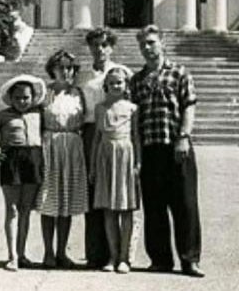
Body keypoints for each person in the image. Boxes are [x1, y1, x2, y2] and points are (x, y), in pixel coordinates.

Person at [130, 25, 205, 278]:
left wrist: (183, 136)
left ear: (163, 43)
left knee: (185, 205)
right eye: (143, 44)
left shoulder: (179, 73)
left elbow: (189, 106)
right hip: (150, 149)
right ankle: (160, 259)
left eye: (151, 42)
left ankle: (190, 259)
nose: (147, 48)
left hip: (176, 147)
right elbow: (135, 119)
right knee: (154, 207)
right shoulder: (136, 80)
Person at [0, 74, 46, 272]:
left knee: (26, 209)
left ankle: (22, 254)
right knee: (12, 209)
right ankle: (12, 256)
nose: (22, 102)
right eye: (17, 98)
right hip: (12, 162)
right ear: (10, 98)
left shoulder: (38, 114)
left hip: (33, 160)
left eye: (26, 97)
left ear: (33, 97)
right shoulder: (3, 115)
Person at [78, 27, 133, 268]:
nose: (99, 49)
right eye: (94, 45)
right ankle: (95, 253)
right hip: (91, 131)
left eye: (104, 45)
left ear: (111, 47)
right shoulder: (83, 76)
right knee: (94, 191)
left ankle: (121, 254)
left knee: (118, 193)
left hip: (117, 134)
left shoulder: (122, 72)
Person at [36, 49, 88, 269]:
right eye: (61, 67)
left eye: (70, 68)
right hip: (50, 146)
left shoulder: (78, 94)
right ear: (52, 69)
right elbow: (36, 122)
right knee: (49, 200)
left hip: (72, 147)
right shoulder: (44, 93)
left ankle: (61, 252)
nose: (66, 72)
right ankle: (48, 252)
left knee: (66, 202)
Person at [89, 67, 141, 274]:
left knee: (126, 208)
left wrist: (138, 163)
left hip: (125, 155)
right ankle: (112, 255)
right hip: (105, 156)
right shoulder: (100, 108)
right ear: (106, 86)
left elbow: (136, 137)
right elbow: (96, 138)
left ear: (126, 85)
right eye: (111, 83)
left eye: (119, 82)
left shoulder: (132, 108)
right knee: (109, 209)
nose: (115, 86)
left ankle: (124, 258)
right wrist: (93, 166)